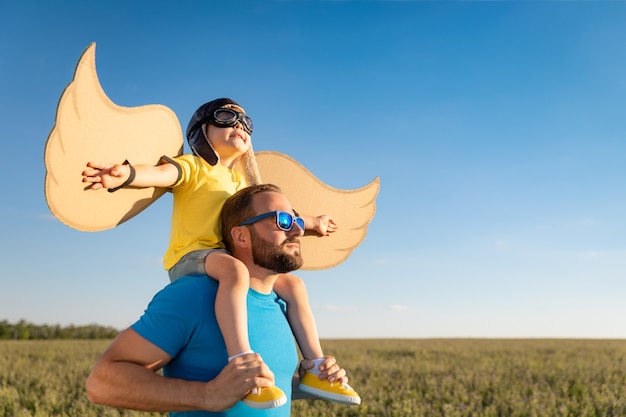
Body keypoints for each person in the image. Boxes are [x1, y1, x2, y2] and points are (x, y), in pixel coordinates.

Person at [81, 98, 360, 407]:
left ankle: (314, 368)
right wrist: (127, 175)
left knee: (294, 284)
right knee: (235, 271)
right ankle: (240, 355)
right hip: (192, 256)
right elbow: (161, 175)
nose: (239, 125)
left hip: (223, 261)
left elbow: (275, 214)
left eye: (245, 122)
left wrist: (313, 223)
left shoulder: (242, 186)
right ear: (202, 131)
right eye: (227, 117)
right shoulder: (195, 168)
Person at [86, 183, 356, 416]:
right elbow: (102, 382)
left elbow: (257, 387)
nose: (297, 231)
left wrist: (307, 384)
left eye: (296, 222)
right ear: (241, 235)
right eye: (282, 221)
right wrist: (207, 395)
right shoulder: (194, 295)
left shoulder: (284, 305)